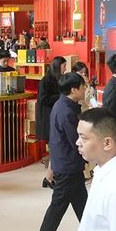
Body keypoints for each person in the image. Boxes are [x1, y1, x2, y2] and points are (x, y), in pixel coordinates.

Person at [34, 73, 88, 231]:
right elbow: (76, 140)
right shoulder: (67, 111)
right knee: (58, 205)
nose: (85, 89)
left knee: (82, 203)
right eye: (83, 86)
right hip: (67, 165)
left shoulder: (64, 104)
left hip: (68, 163)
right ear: (74, 89)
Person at [36, 56, 67, 184]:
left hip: (56, 116)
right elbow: (44, 99)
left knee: (56, 147)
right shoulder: (45, 81)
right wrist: (61, 96)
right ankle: (50, 177)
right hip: (48, 118)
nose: (65, 69)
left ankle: (51, 176)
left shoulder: (59, 79)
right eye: (64, 66)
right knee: (55, 147)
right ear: (58, 66)